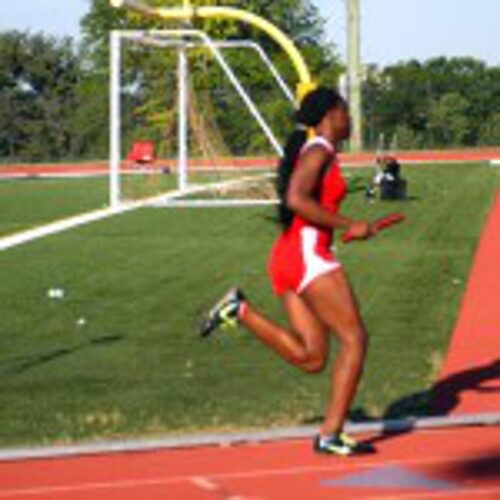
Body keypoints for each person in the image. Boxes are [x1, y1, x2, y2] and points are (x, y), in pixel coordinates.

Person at [199, 87, 377, 456]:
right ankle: (331, 434)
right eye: (345, 111)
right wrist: (348, 224)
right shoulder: (319, 151)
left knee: (313, 358)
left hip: (290, 254)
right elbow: (296, 199)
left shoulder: (317, 151)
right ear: (331, 115)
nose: (349, 118)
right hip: (308, 254)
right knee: (355, 339)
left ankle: (240, 310)